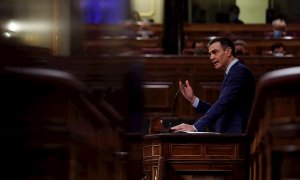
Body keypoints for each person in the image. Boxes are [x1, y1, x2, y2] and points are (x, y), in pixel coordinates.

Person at [171, 37, 256, 134]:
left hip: (235, 135)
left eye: (215, 52)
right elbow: (222, 108)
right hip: (228, 134)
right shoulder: (233, 72)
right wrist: (193, 99)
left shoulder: (239, 72)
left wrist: (195, 127)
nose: (211, 57)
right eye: (210, 54)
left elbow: (222, 105)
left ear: (228, 51)